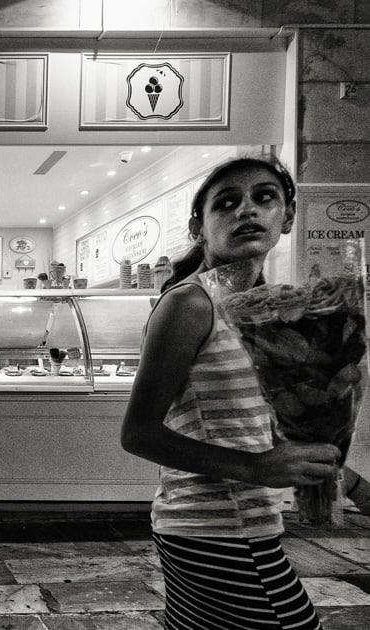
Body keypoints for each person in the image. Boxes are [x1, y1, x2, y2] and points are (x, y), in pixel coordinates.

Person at [121, 156, 338, 629]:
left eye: (264, 197)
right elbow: (138, 433)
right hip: (216, 527)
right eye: (227, 203)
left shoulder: (261, 310)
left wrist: (341, 476)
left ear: (288, 216)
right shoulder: (189, 303)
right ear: (200, 226)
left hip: (237, 524)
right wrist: (258, 468)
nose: (247, 211)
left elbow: (252, 424)